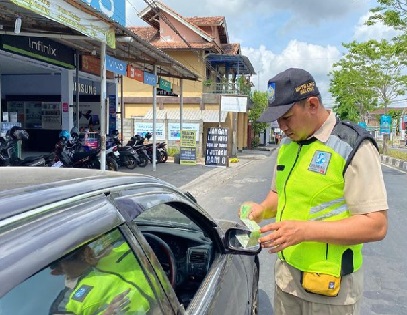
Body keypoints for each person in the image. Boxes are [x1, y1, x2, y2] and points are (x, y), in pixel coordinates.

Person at [244, 68, 388, 315]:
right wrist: (260, 210)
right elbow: (279, 196)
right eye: (277, 120)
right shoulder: (288, 145)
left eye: (286, 117)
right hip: (286, 279)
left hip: (331, 290)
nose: (281, 127)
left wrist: (304, 231)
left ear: (312, 104)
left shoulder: (352, 146)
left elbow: (376, 225)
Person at [49, 236, 154, 315]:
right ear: (58, 271)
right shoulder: (63, 306)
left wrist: (153, 262)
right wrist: (107, 313)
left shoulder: (121, 247)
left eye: (83, 247)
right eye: (74, 257)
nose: (86, 253)